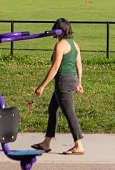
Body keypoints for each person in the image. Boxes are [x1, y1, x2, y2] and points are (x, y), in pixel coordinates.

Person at [32, 18, 85, 155]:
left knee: (69, 113)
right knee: (52, 110)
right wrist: (79, 82)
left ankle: (78, 144)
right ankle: (46, 143)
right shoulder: (75, 44)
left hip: (63, 82)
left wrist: (42, 86)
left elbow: (55, 68)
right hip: (71, 80)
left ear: (58, 30)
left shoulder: (60, 45)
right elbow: (79, 65)